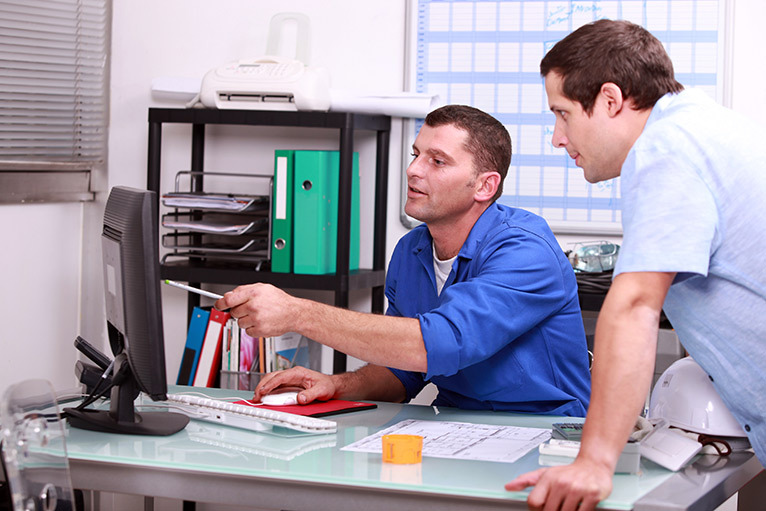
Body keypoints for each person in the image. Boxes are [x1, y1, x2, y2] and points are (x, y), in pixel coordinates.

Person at [505, 19, 766, 510]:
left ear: (609, 99)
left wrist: (595, 461)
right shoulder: (702, 127)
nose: (557, 138)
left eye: (562, 114)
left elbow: (634, 307)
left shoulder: (665, 148)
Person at [215, 104, 591, 416]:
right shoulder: (412, 250)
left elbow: (441, 343)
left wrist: (299, 314)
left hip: (547, 432)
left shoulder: (526, 252)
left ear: (484, 186)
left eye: (438, 161)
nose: (413, 170)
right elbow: (404, 370)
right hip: (459, 429)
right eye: (415, 155)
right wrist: (337, 385)